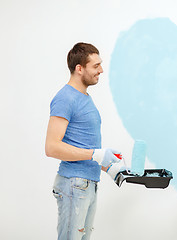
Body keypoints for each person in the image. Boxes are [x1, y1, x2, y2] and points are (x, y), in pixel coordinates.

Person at [45, 42, 124, 240]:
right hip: (74, 184)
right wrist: (95, 154)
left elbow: (82, 144)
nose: (101, 70)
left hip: (86, 184)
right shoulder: (65, 98)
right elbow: (51, 147)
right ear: (79, 68)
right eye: (95, 66)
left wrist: (106, 164)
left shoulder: (84, 97)